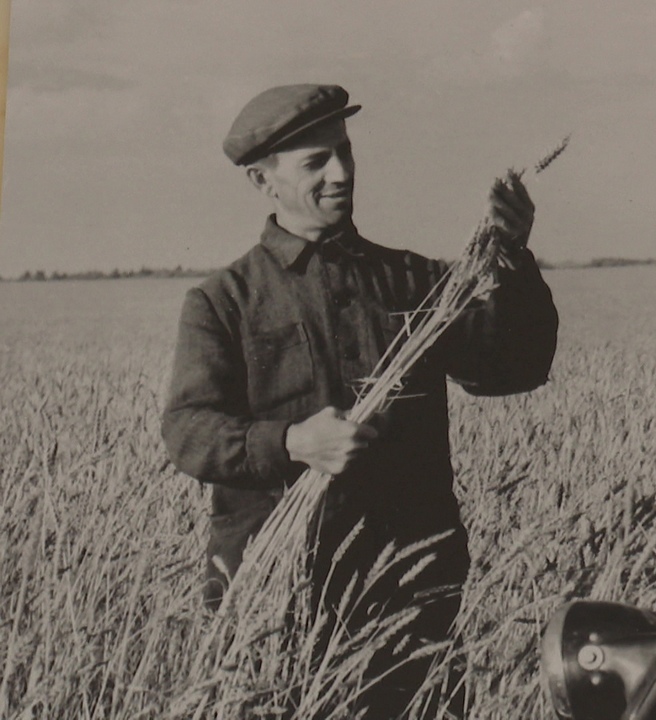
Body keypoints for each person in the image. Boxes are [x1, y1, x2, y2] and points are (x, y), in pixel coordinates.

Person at [161, 83, 558, 716]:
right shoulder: (223, 302)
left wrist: (510, 253)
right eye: (315, 162)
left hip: (409, 593)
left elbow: (512, 367)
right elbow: (187, 430)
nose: (342, 172)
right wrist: (292, 442)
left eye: (344, 151)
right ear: (263, 183)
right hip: (277, 599)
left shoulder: (417, 281)